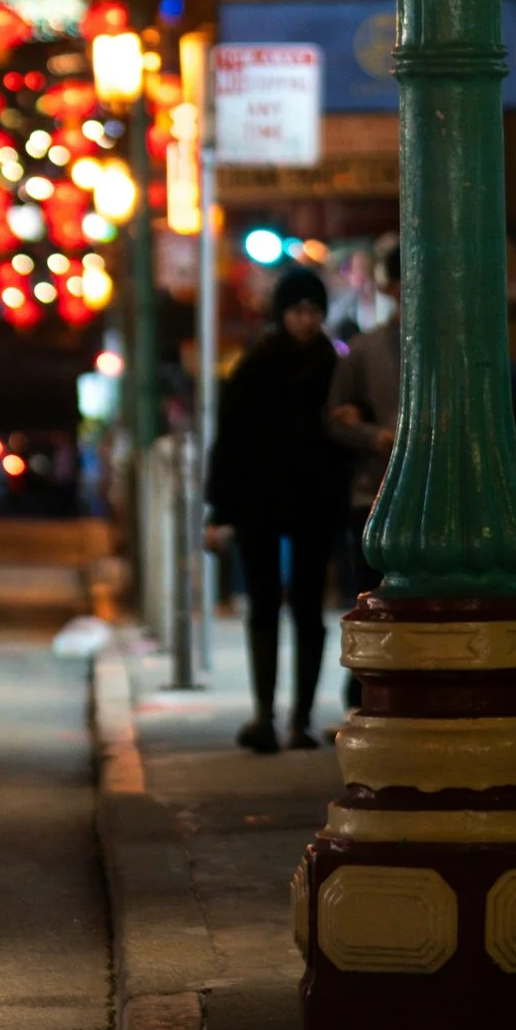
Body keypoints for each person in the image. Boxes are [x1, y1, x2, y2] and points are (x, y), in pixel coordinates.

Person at [204, 264, 344, 752]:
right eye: (297, 310)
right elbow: (230, 442)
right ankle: (265, 713)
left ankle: (299, 719)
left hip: (314, 503)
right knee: (263, 605)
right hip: (259, 502)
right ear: (282, 313)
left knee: (308, 608)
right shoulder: (254, 367)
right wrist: (219, 507)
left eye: (313, 311)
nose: (306, 320)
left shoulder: (335, 366)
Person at [325, 238, 402, 555]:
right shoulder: (364, 349)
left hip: (438, 500)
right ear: (392, 288)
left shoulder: (457, 350)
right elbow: (336, 418)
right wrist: (375, 436)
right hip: (375, 494)